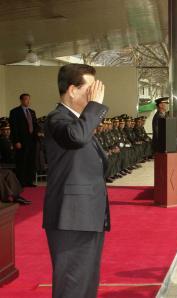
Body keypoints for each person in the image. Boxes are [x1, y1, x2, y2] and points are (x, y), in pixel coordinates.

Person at [43, 63, 110, 298]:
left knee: (87, 281)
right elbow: (76, 137)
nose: (95, 95)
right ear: (72, 90)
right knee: (72, 285)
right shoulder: (57, 119)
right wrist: (95, 106)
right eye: (90, 90)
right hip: (70, 217)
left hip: (87, 215)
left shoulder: (80, 121)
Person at [9, 93, 38, 186]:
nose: (28, 101)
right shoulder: (14, 112)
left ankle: (29, 181)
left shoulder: (32, 112)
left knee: (30, 161)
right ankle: (21, 182)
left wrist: (39, 133)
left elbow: (35, 125)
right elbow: (14, 128)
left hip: (32, 141)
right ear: (21, 100)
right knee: (22, 162)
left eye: (29, 99)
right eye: (26, 99)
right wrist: (16, 141)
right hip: (21, 141)